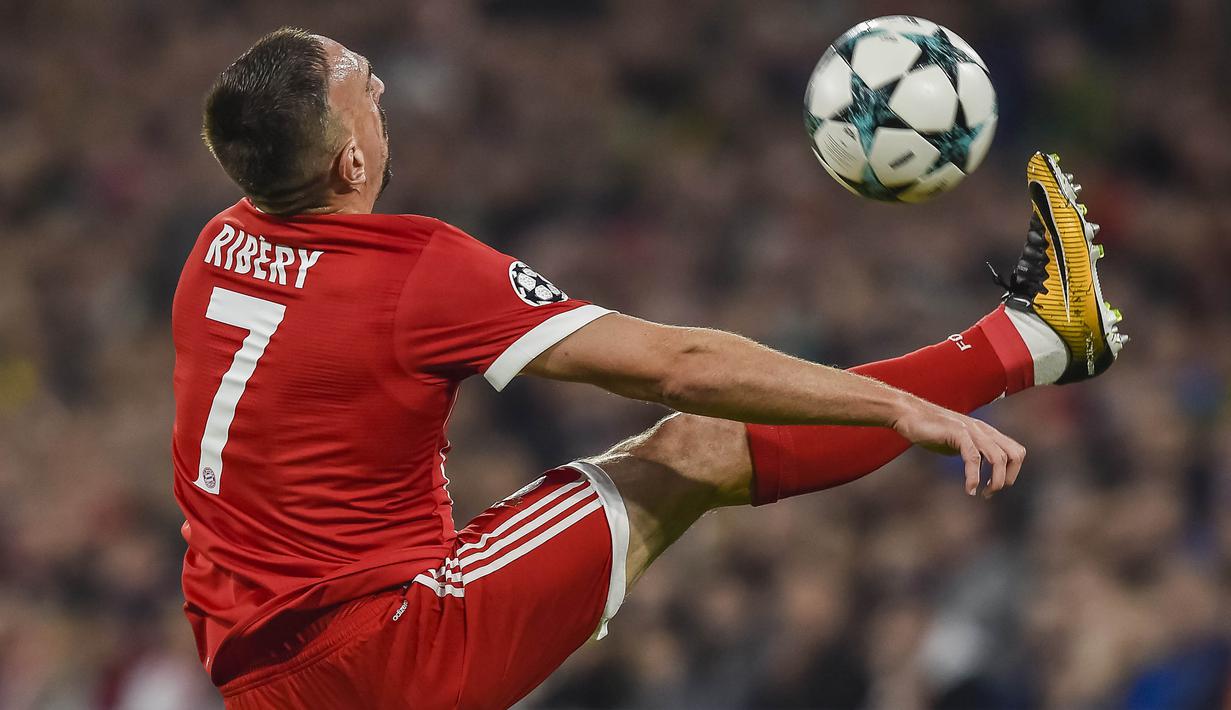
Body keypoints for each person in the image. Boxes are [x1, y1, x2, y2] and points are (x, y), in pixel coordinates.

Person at [172, 28, 1125, 709]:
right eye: (364, 90)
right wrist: (892, 406)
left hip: (259, 673)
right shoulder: (413, 271)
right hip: (390, 652)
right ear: (348, 167)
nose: (382, 89)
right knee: (694, 447)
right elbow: (677, 364)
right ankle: (1032, 340)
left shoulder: (212, 250)